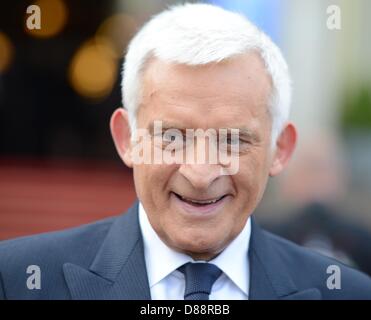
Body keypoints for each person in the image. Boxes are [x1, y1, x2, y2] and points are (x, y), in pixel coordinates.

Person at [0, 3, 370, 300]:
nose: (200, 172)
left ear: (279, 149)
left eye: (232, 140)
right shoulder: (16, 281)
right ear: (127, 139)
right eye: (172, 137)